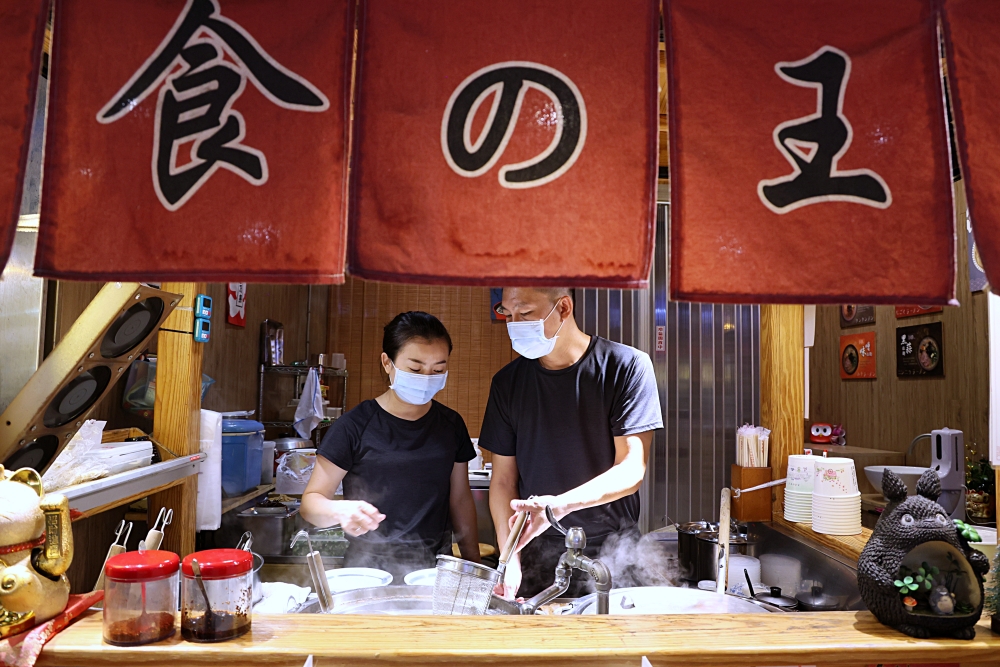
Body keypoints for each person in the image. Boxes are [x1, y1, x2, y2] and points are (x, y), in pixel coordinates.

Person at [480, 288, 662, 598]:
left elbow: (631, 469)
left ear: (564, 307)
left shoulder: (626, 366)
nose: (514, 326)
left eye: (524, 314)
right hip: (536, 557)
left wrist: (559, 506)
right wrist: (509, 557)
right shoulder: (508, 383)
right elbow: (503, 481)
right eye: (508, 316)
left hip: (614, 554)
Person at [301, 311, 480, 582]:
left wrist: (474, 565)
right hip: (368, 571)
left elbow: (460, 499)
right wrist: (340, 511)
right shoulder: (354, 426)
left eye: (438, 370)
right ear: (387, 362)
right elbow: (311, 503)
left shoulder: (450, 424)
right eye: (416, 369)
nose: (426, 377)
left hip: (433, 570)